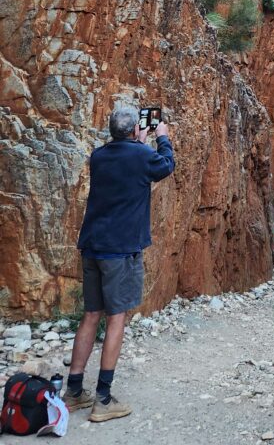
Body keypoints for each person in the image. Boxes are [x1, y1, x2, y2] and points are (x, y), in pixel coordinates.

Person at [61, 105, 175, 423]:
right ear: (134, 130)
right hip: (120, 251)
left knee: (90, 315)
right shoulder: (142, 156)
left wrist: (138, 142)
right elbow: (166, 165)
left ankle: (73, 391)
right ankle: (103, 400)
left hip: (92, 246)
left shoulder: (99, 156)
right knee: (116, 318)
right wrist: (162, 137)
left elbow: (127, 163)